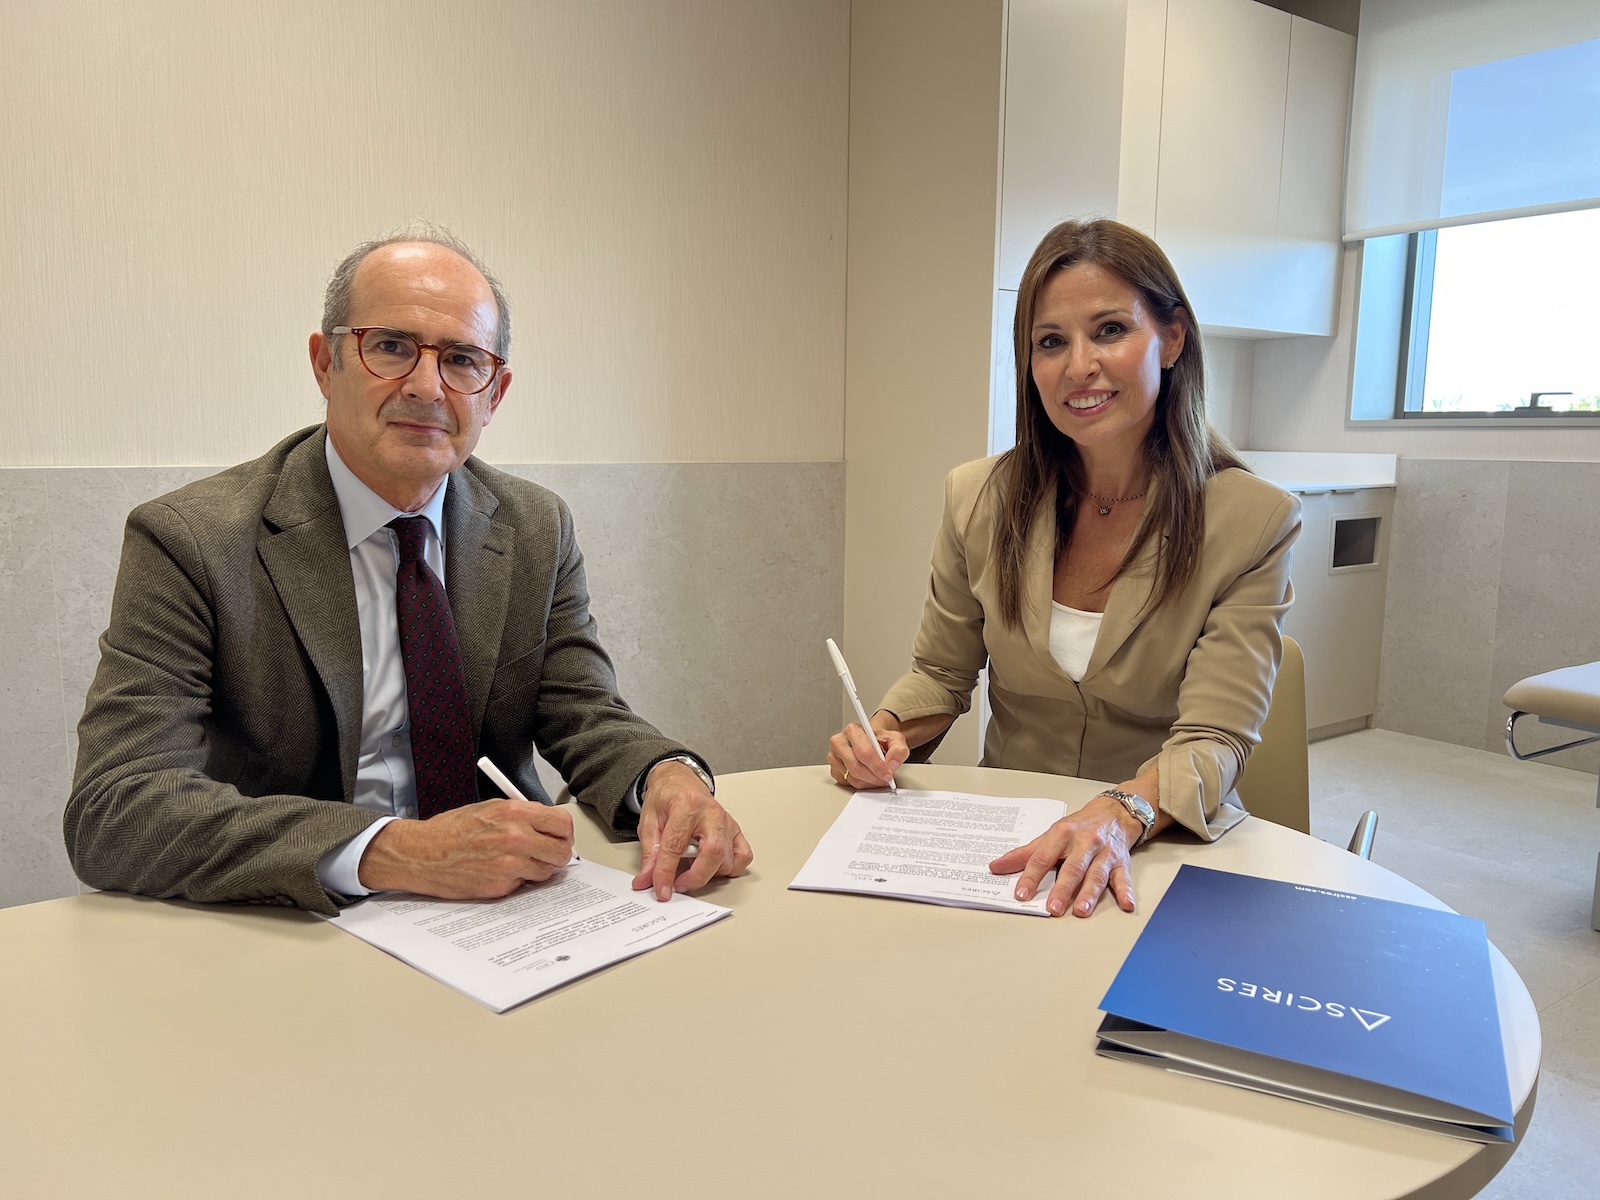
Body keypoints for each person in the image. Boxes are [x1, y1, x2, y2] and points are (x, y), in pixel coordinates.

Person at [65, 222, 752, 915]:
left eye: (462, 359)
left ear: (494, 393)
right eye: (391, 346)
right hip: (297, 915)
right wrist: (398, 851)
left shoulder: (535, 526)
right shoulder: (190, 540)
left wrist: (667, 774)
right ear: (324, 363)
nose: (426, 387)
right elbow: (116, 806)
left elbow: (585, 713)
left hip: (507, 910)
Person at [828, 218, 1299, 920]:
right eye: (1050, 342)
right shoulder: (977, 498)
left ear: (1172, 339)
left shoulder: (1253, 520)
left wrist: (1118, 811)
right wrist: (887, 729)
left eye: (1109, 330)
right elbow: (943, 674)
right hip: (1011, 844)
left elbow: (1214, 739)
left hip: (1157, 844)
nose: (1079, 366)